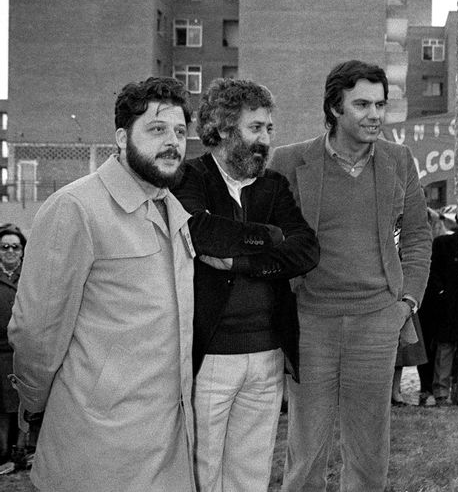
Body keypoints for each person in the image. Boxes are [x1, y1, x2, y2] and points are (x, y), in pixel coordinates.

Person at [7, 77, 199, 492]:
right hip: (97, 449)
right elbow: (37, 330)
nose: (173, 142)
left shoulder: (174, 212)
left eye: (181, 132)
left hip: (168, 448)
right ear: (120, 136)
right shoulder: (75, 208)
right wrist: (34, 402)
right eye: (157, 129)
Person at [270, 59, 432, 492]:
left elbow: (418, 236)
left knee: (368, 453)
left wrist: (406, 304)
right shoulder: (289, 161)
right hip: (311, 321)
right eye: (362, 104)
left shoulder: (398, 160)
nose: (375, 114)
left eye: (380, 104)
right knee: (306, 451)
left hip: (377, 321)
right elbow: (268, 237)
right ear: (335, 107)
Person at [172, 78, 319, 491]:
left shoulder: (273, 185)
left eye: (269, 128)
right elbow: (200, 233)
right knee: (200, 473)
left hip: (269, 353)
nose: (266, 139)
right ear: (221, 129)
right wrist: (270, 236)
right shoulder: (190, 177)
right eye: (256, 128)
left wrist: (242, 261)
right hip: (210, 356)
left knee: (250, 475)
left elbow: (307, 249)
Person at [420, 209, 458, 407]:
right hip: (449, 305)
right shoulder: (443, 244)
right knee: (446, 347)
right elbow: (432, 271)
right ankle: (441, 392)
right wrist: (442, 293)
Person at [0, 224, 25, 473]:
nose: (9, 251)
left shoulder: (30, 277)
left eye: (15, 247)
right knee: (3, 410)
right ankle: (3, 452)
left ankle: (21, 451)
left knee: (23, 406)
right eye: (4, 246)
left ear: (22, 251)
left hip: (24, 354)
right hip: (1, 356)